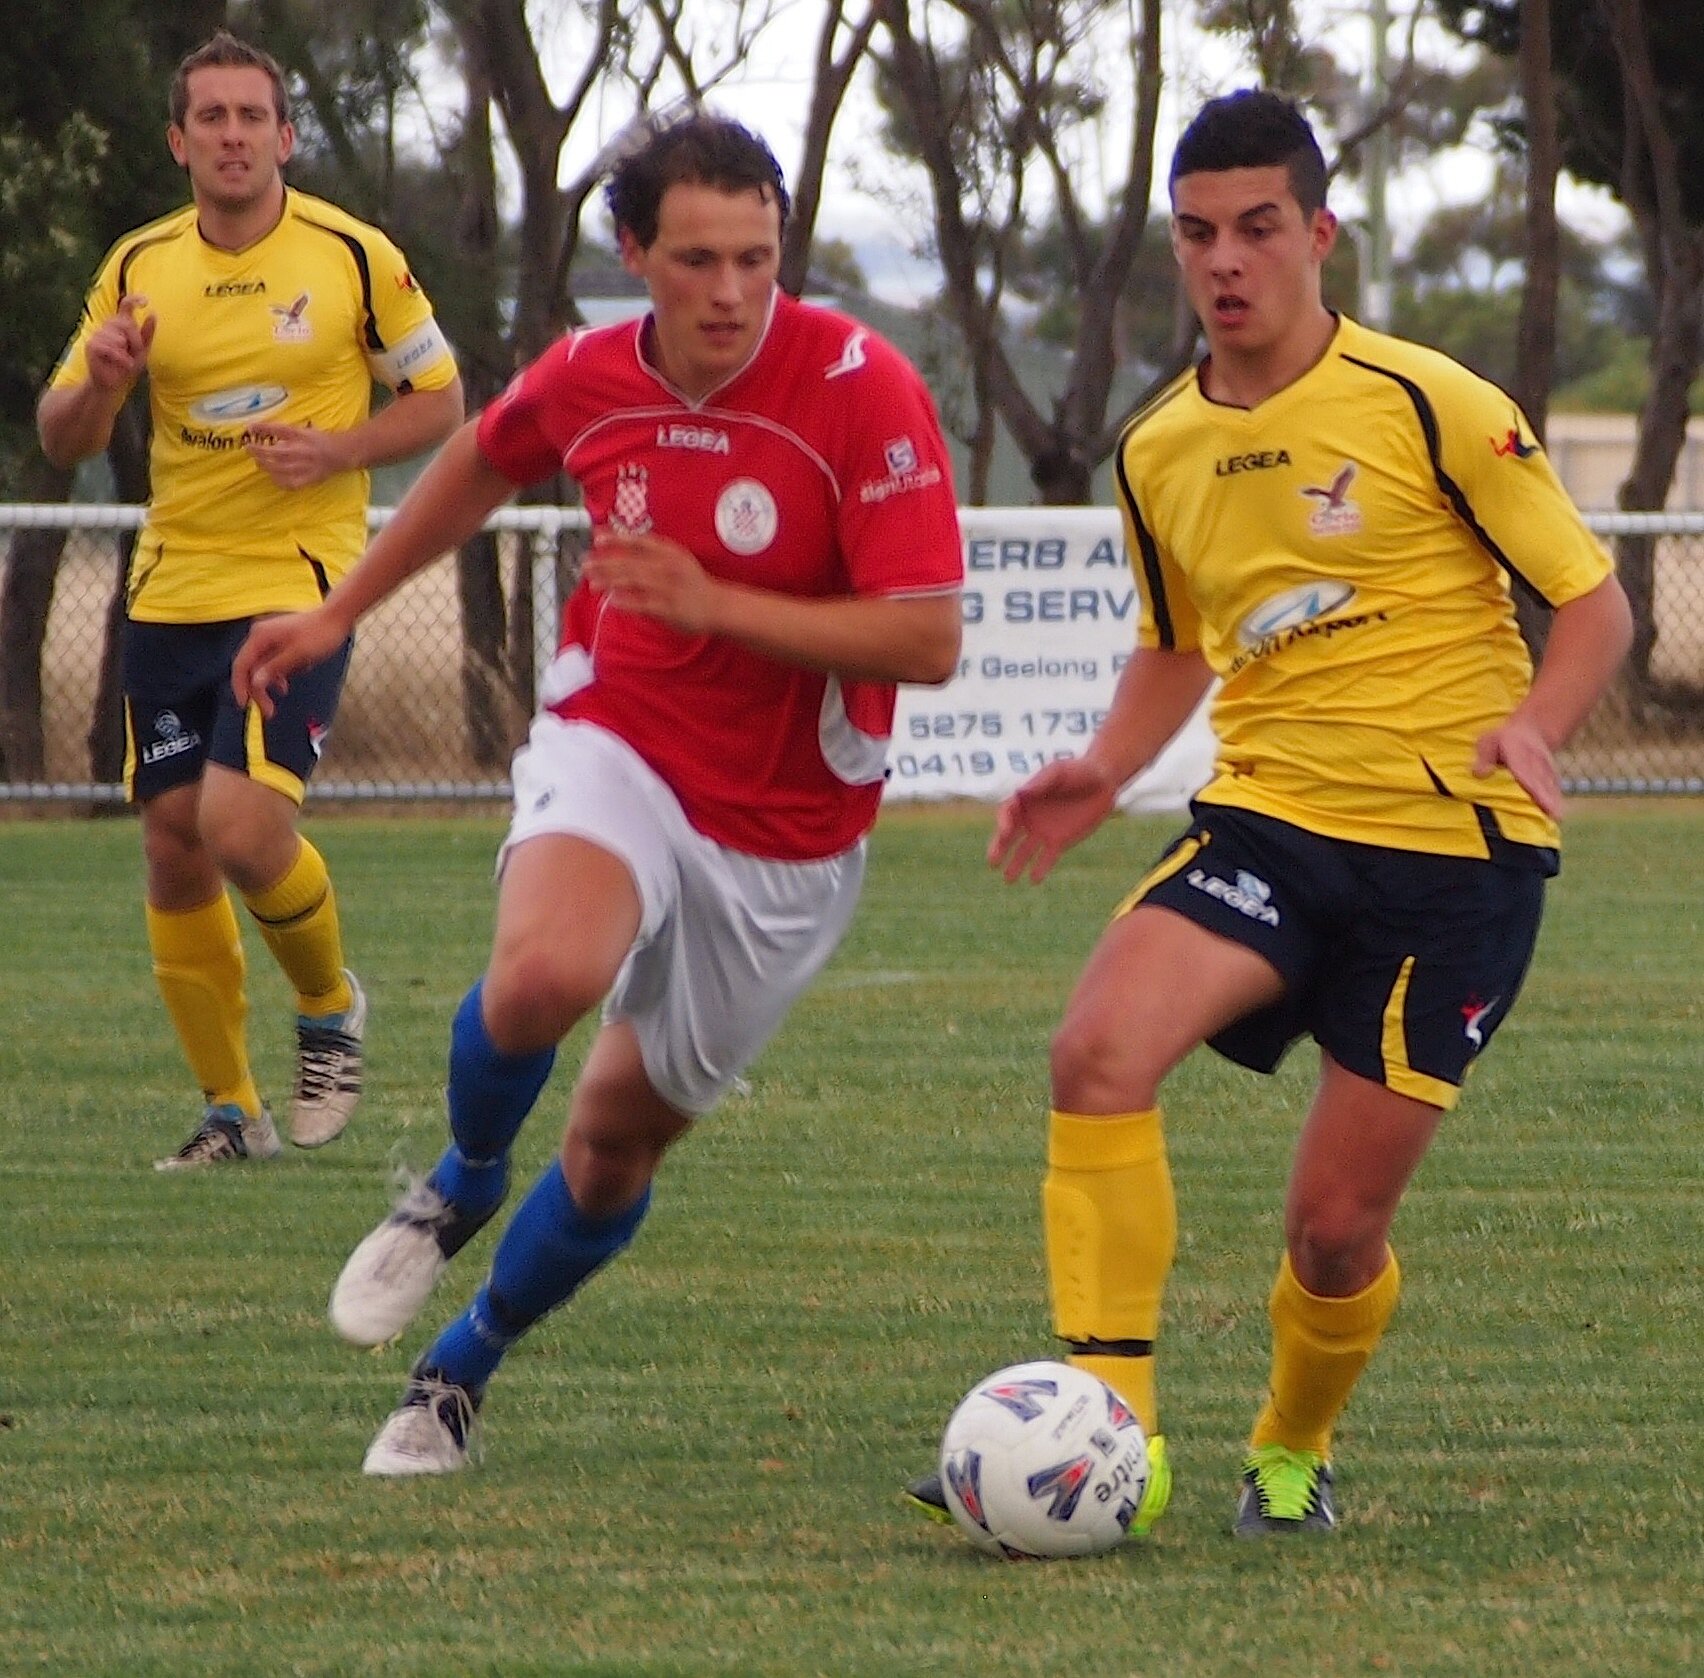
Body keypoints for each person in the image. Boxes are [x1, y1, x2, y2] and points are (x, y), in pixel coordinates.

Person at [905, 88, 1632, 1539]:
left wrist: (1534, 726)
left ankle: (1290, 1458)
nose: (1225, 261)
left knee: (1332, 1228)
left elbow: (1593, 604)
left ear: (1319, 234)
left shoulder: (1433, 401)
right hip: (1269, 823)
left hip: (1453, 854)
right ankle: (1114, 1446)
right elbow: (1179, 643)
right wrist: (1107, 768)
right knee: (1096, 1051)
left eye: (1256, 229)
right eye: (1196, 235)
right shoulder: (1156, 448)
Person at [232, 112, 965, 1475]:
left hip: (790, 836)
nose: (734, 291)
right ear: (633, 253)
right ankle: (460, 1174)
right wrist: (340, 615)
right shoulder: (588, 373)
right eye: (697, 259)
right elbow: (478, 463)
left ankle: (461, 1365)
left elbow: (926, 637)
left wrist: (717, 602)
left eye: (758, 256)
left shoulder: (864, 388)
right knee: (540, 977)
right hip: (618, 734)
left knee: (618, 1142)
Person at [37, 30, 464, 1169]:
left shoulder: (352, 255)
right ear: (179, 141)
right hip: (175, 581)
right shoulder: (138, 267)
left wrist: (338, 451)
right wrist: (105, 386)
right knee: (175, 845)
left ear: (285, 134)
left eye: (251, 116)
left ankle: (329, 1008)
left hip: (301, 580)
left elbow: (441, 400)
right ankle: (234, 1110)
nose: (233, 135)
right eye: (210, 118)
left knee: (240, 825)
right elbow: (58, 428)